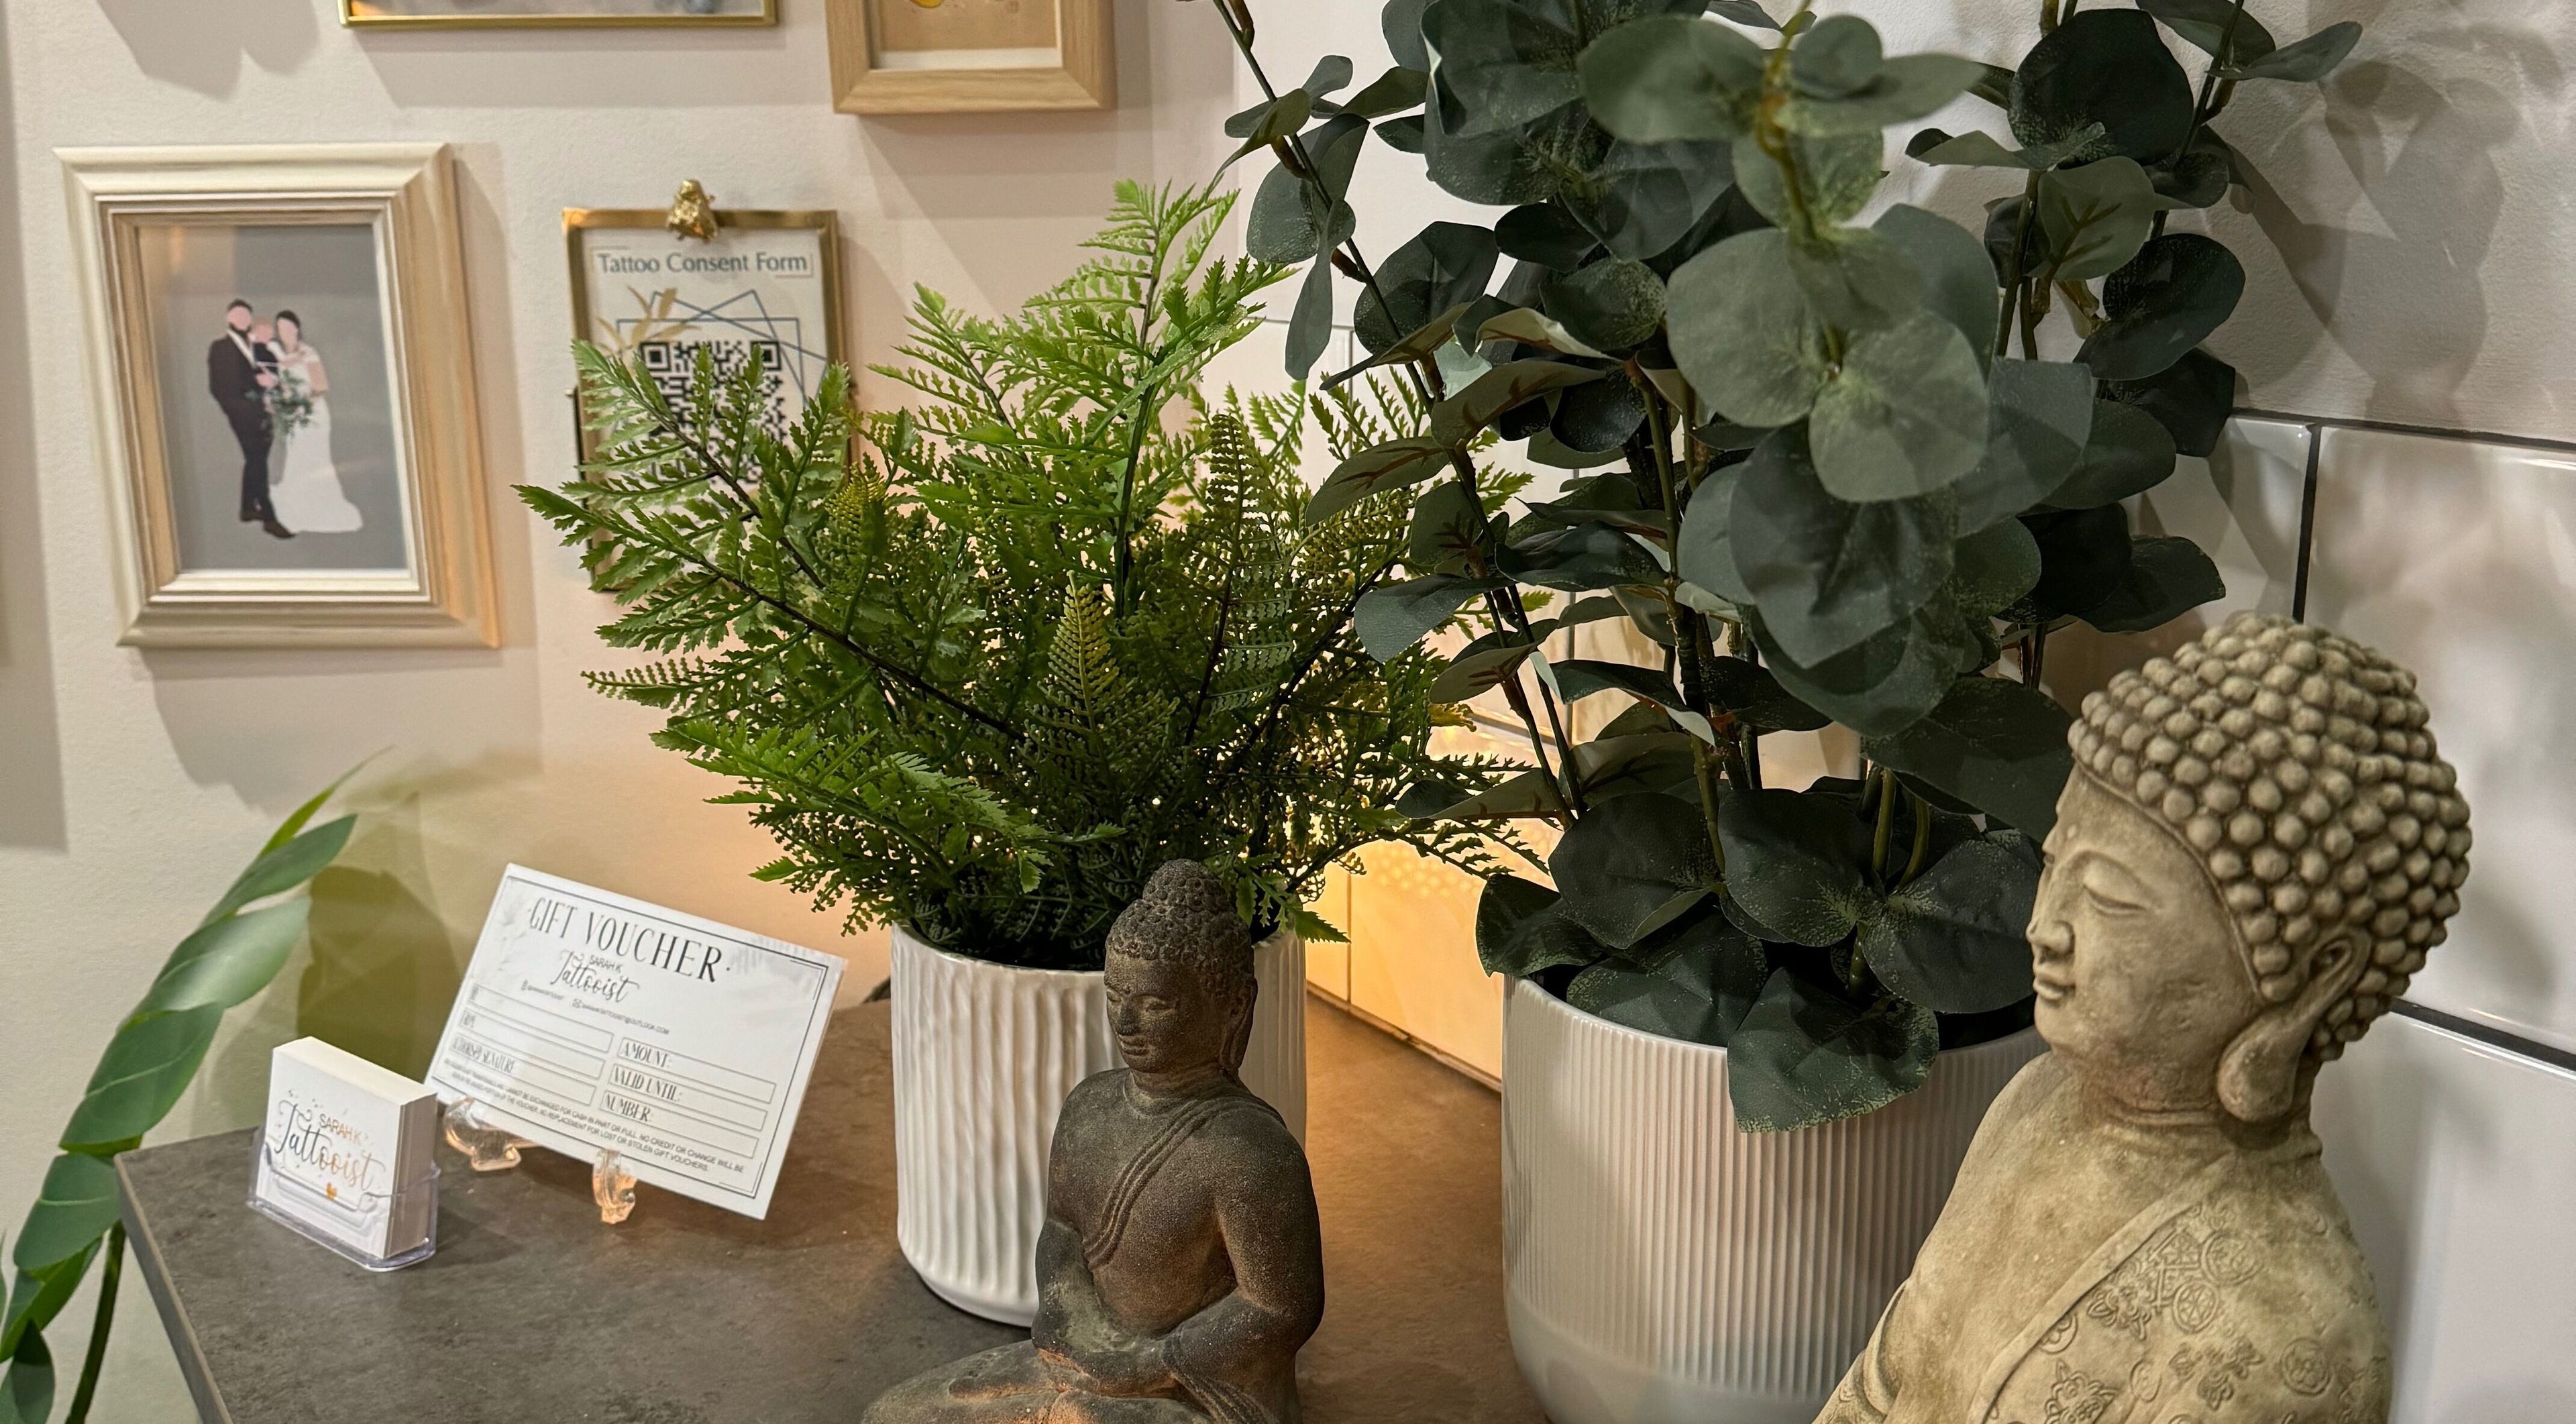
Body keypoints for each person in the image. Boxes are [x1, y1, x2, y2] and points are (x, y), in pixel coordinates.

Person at [1815, 614, 2469, 1424]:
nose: (2045, 926)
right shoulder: (2036, 1099)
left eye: (2110, 896)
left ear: (2312, 978)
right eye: (2055, 866)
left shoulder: (2290, 1334)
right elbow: (1879, 1386)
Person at [865, 861, 1326, 1424]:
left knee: (1081, 1415)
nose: (1126, 1022)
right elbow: (1062, 1230)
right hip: (1088, 1353)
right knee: (897, 1413)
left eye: (1156, 1004)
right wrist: (1068, 1315)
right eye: (1115, 996)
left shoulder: (1251, 1151)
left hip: (1202, 1389)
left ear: (1232, 1006)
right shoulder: (1090, 1105)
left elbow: (1278, 1306)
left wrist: (1153, 1362)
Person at [264, 311, 363, 534]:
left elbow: (321, 387)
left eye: (288, 327)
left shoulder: (308, 353)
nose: (285, 332)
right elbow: (280, 383)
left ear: (296, 328)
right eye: (281, 328)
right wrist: (279, 403)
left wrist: (303, 406)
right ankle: (297, 500)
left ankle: (316, 503)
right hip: (293, 416)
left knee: (314, 457)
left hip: (313, 414)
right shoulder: (279, 355)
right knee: (296, 457)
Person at [207, 298, 290, 539]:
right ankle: (269, 517)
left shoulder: (257, 345)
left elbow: (271, 370)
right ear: (228, 318)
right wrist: (239, 409)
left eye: (246, 315)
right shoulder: (220, 347)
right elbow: (220, 386)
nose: (243, 319)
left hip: (264, 411)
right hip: (243, 414)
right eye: (238, 315)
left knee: (256, 459)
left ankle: (247, 508)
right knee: (257, 460)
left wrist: (271, 384)